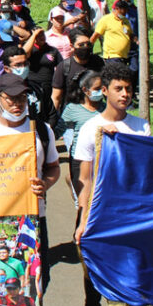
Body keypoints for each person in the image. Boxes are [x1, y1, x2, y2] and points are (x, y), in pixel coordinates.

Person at [0, 73, 59, 295]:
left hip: (34, 218)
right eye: (11, 98)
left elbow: (53, 167)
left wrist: (45, 184)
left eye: (22, 98)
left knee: (35, 282)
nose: (17, 104)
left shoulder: (41, 130)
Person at [73, 62, 151, 306]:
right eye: (118, 89)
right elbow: (85, 180)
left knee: (135, 276)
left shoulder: (142, 127)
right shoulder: (90, 129)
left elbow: (147, 171)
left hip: (133, 213)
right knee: (94, 275)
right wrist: (84, 220)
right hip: (100, 212)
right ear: (105, 91)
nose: (125, 94)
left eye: (128, 89)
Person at [60, 69, 104, 207]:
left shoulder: (107, 108)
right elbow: (58, 130)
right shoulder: (72, 109)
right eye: (97, 89)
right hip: (80, 160)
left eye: (103, 88)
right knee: (84, 203)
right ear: (85, 90)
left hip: (102, 159)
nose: (101, 92)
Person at [51, 28, 104, 110]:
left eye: (88, 44)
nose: (85, 47)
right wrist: (53, 119)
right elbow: (56, 97)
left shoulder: (98, 62)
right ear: (72, 46)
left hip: (96, 111)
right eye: (81, 45)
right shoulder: (64, 67)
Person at [90, 0, 134, 66]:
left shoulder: (125, 20)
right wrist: (88, 49)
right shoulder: (106, 19)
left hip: (125, 56)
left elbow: (130, 34)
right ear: (116, 9)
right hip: (112, 57)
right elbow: (95, 35)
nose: (125, 14)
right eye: (123, 12)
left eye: (126, 12)